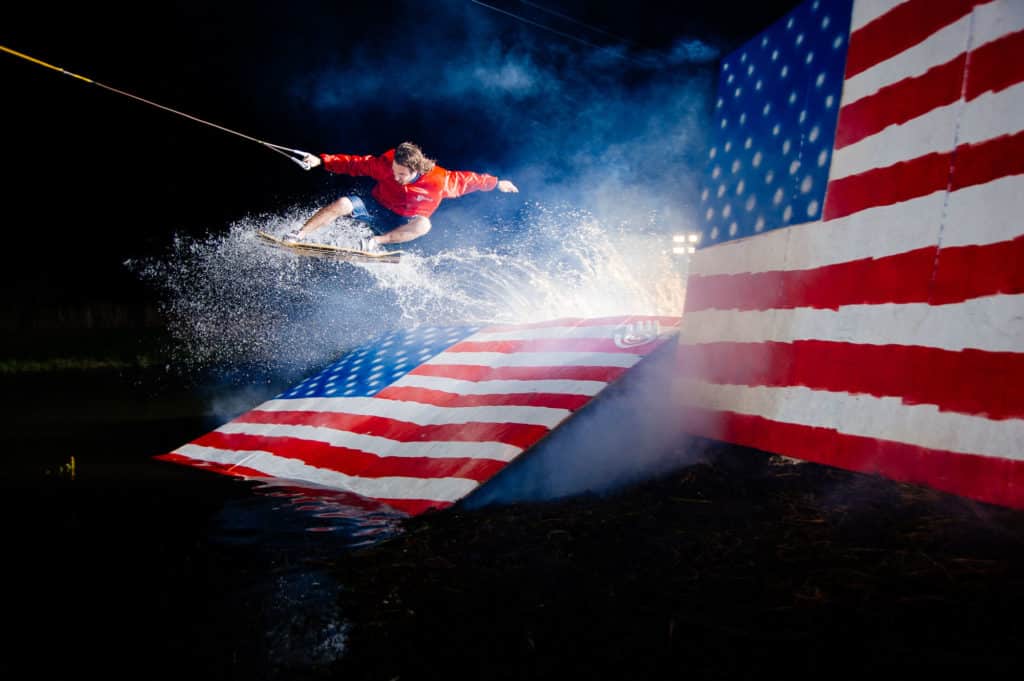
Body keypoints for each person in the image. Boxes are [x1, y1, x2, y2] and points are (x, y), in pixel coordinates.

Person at [286, 141, 519, 250]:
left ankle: (373, 243)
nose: (396, 177)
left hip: (399, 223)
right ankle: (298, 234)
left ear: (416, 170)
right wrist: (322, 160)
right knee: (344, 202)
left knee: (424, 224)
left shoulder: (440, 180)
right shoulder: (387, 165)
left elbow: (470, 180)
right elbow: (355, 163)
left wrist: (497, 183)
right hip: (375, 207)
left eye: (402, 175)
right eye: (394, 172)